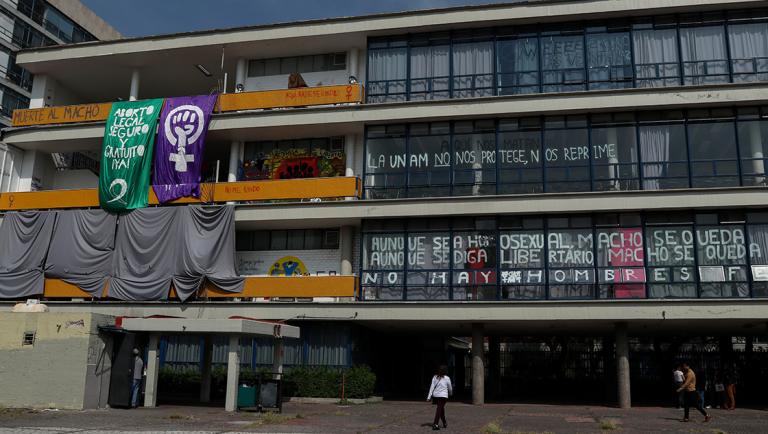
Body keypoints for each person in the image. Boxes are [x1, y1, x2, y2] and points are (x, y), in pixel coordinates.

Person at [426, 365, 453, 431]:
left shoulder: (435, 377)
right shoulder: (447, 378)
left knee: (440, 409)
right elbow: (450, 388)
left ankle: (444, 422)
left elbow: (431, 387)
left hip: (436, 396)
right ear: (445, 371)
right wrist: (450, 393)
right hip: (443, 396)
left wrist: (429, 397)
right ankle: (435, 424)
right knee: (439, 409)